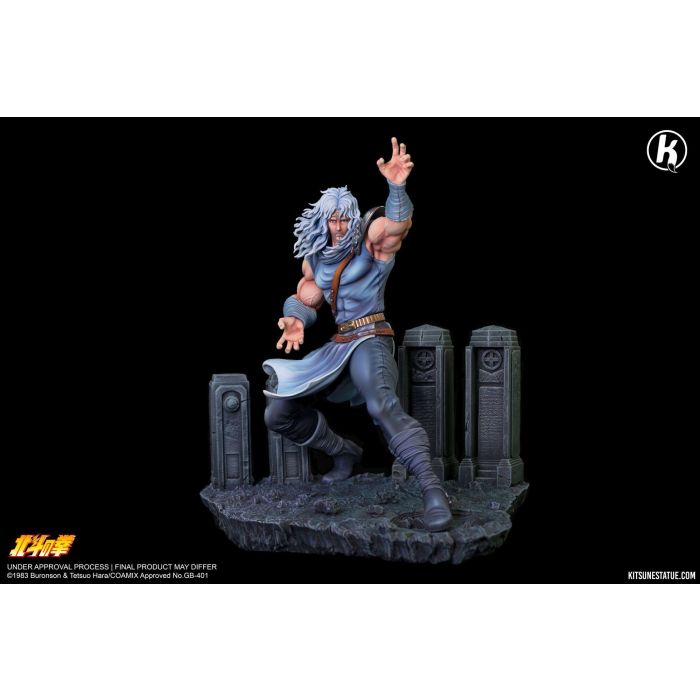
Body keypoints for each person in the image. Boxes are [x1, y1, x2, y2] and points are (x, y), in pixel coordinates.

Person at [263, 137, 452, 532]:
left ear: (353, 218)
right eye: (332, 220)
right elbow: (305, 298)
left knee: (381, 405)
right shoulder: (316, 260)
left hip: (371, 336)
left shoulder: (370, 242)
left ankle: (433, 490)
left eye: (345, 219)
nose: (339, 227)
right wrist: (295, 319)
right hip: (338, 346)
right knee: (277, 412)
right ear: (322, 221)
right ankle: (343, 452)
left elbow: (397, 225)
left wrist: (396, 187)